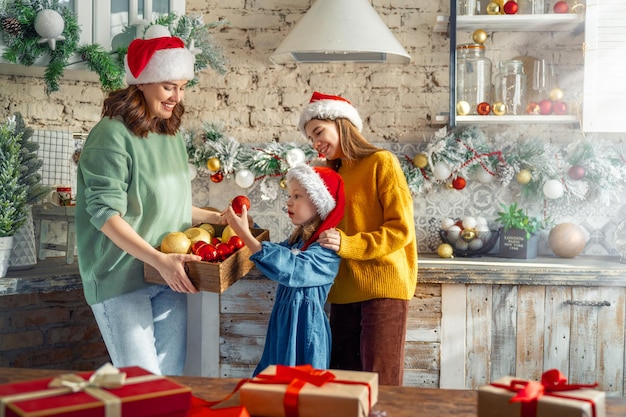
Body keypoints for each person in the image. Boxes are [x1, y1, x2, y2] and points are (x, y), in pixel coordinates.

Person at [75, 25, 222, 376]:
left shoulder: (168, 132)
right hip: (122, 279)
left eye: (182, 87)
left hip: (166, 276)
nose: (177, 97)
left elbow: (166, 204)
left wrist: (219, 219)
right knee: (142, 390)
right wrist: (159, 259)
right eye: (169, 86)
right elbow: (105, 214)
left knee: (166, 385)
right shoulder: (110, 135)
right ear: (142, 81)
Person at [298, 91, 418, 386]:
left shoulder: (381, 162)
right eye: (310, 138)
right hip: (342, 291)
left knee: (381, 385)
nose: (315, 143)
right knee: (344, 386)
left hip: (382, 287)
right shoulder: (331, 174)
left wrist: (350, 244)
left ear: (341, 123)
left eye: (318, 132)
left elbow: (400, 229)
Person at [222, 164, 345, 376]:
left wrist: (247, 237)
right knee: (275, 378)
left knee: (304, 386)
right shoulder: (297, 242)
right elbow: (277, 253)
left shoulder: (327, 250)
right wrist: (251, 230)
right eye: (290, 195)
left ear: (319, 203)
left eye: (297, 196)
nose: (289, 201)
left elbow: (292, 268)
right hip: (283, 325)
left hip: (306, 331)